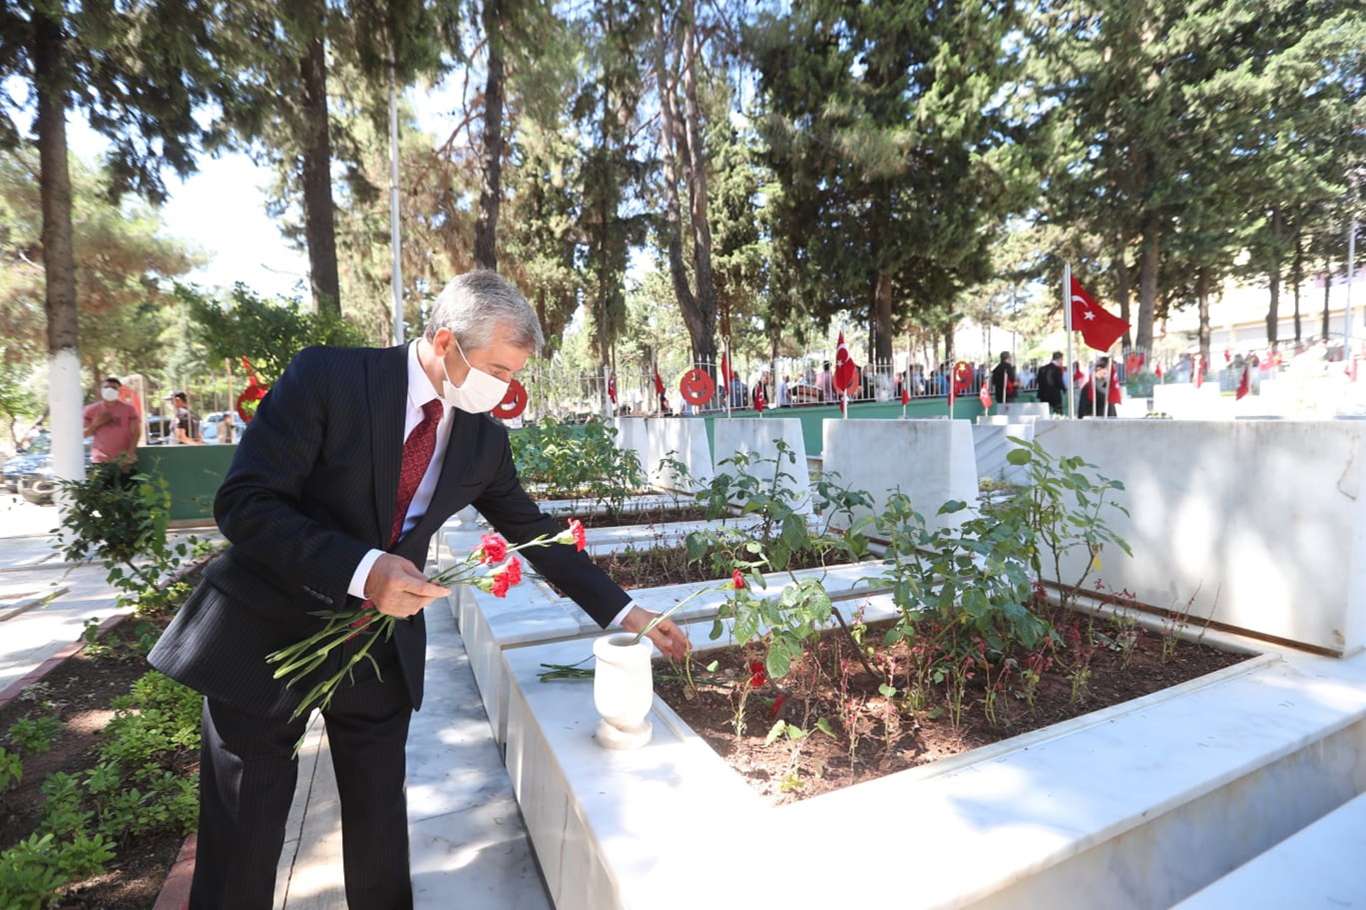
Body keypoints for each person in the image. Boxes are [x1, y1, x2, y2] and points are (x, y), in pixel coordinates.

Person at [148, 270, 691, 910]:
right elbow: (244, 503)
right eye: (497, 369)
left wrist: (628, 612)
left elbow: (533, 532)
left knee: (381, 831)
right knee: (244, 840)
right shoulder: (329, 379)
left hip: (374, 650)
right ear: (444, 342)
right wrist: (364, 570)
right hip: (267, 636)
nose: (505, 390)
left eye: (514, 376)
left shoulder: (481, 440)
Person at [83, 376, 139, 473]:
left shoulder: (129, 409)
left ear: (119, 391)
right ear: (100, 390)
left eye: (114, 388)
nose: (110, 390)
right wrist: (96, 423)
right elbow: (84, 434)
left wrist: (129, 455)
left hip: (123, 460)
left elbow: (136, 433)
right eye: (106, 387)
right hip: (100, 460)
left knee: (126, 487)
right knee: (103, 488)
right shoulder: (91, 410)